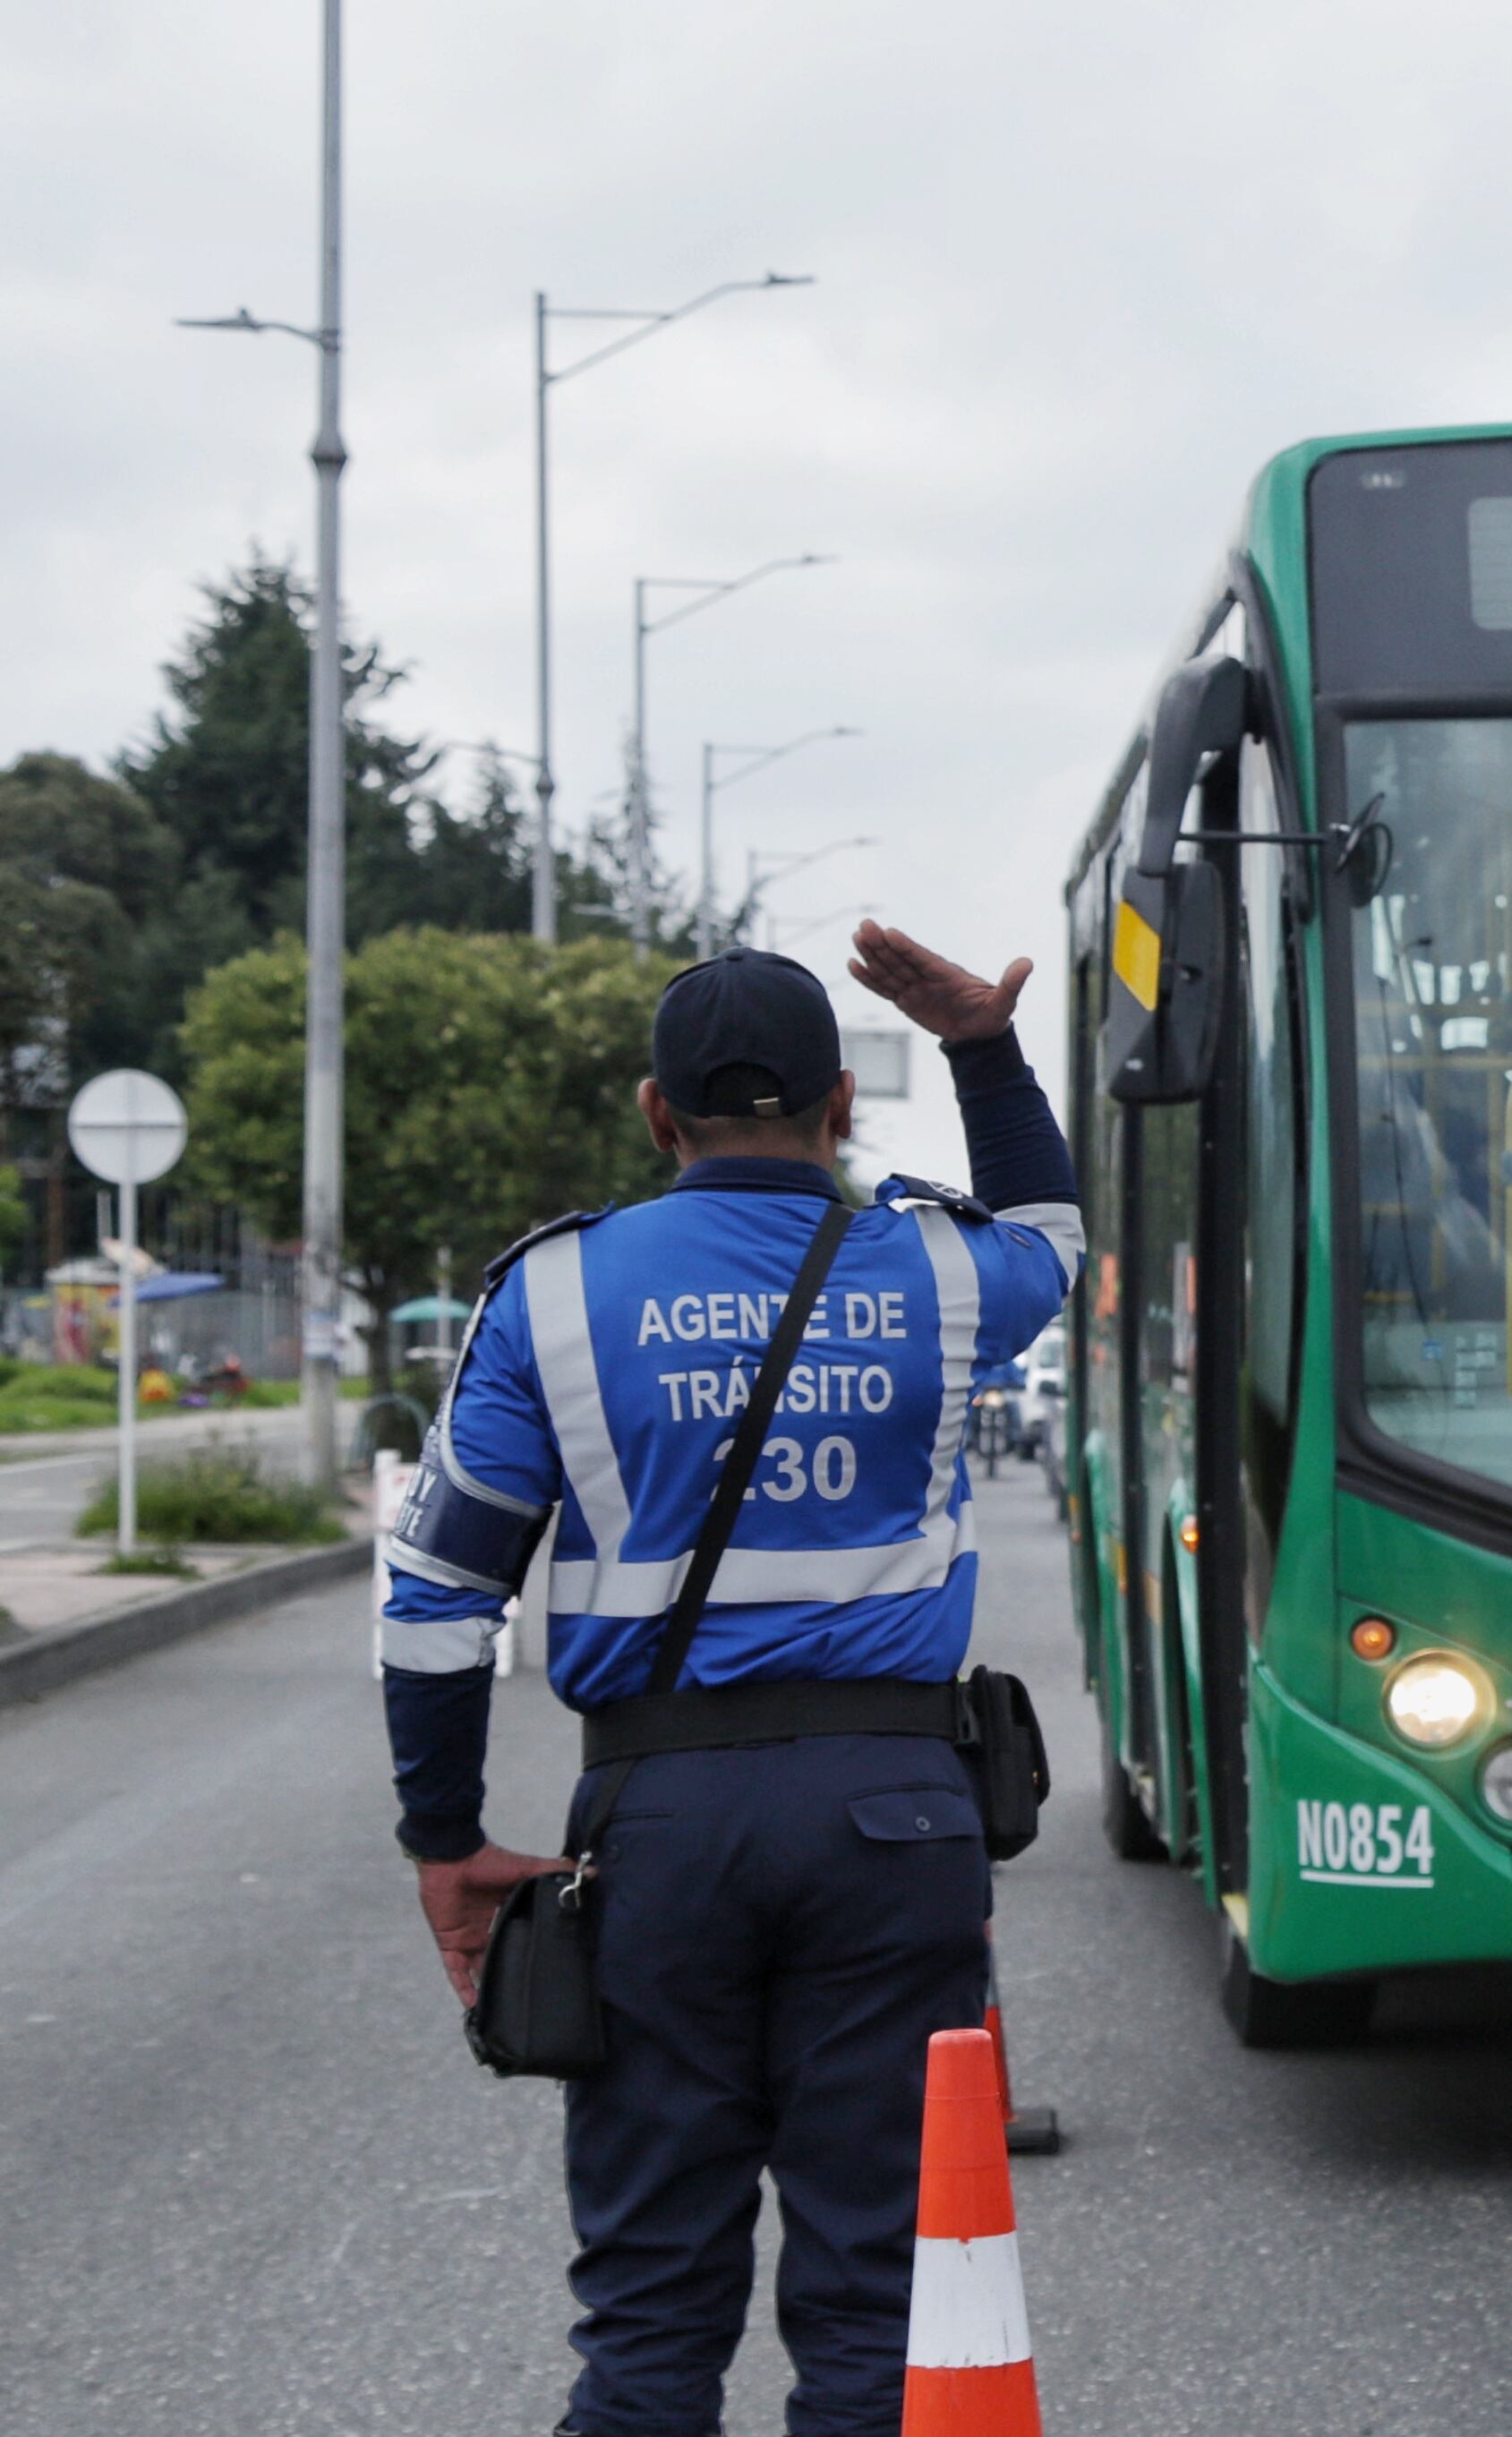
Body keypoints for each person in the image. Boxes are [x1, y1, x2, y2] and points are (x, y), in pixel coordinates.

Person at [377, 927, 1081, 2437]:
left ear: (655, 1111)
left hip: (661, 1825)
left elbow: (438, 1603)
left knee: (649, 2295)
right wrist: (981, 1047)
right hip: (896, 1821)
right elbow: (1057, 1235)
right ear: (840, 1107)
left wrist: (445, 1833)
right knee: (879, 2290)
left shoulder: (553, 1296)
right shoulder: (944, 1275)